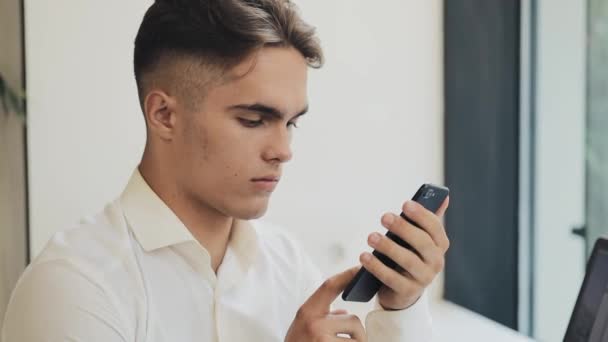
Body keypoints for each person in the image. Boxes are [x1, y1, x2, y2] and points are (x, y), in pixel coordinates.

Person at [1, 0, 450, 341]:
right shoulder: (72, 287)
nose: (283, 150)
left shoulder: (287, 264)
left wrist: (401, 307)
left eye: (291, 122)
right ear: (163, 115)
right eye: (254, 120)